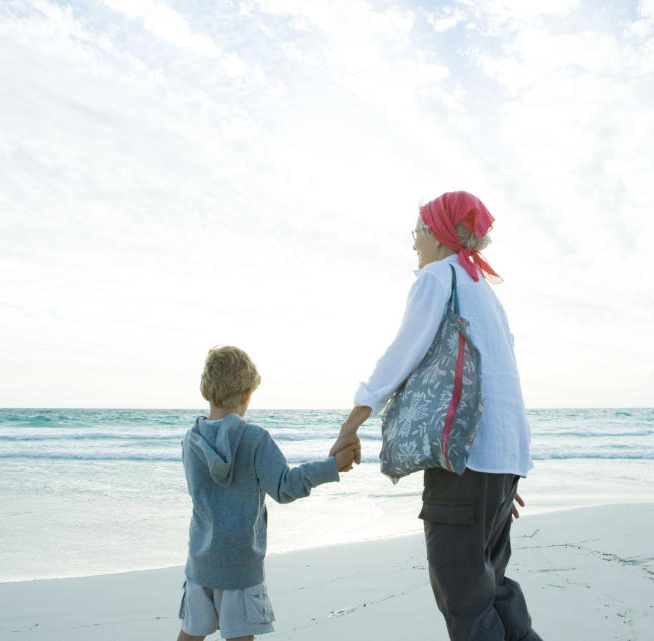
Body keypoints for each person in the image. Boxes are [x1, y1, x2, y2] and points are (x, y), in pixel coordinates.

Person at [330, 191, 542, 641]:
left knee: (463, 598)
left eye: (418, 233)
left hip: (463, 461)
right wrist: (502, 476)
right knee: (493, 586)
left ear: (440, 235)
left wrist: (351, 423)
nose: (413, 246)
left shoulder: (438, 276)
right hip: (501, 460)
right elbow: (505, 377)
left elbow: (401, 356)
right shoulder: (483, 290)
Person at [178, 345, 357, 641]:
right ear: (247, 392)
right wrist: (332, 466)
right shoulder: (254, 438)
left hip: (200, 561)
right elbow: (285, 487)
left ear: (207, 389)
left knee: (190, 635)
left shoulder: (190, 440)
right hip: (240, 565)